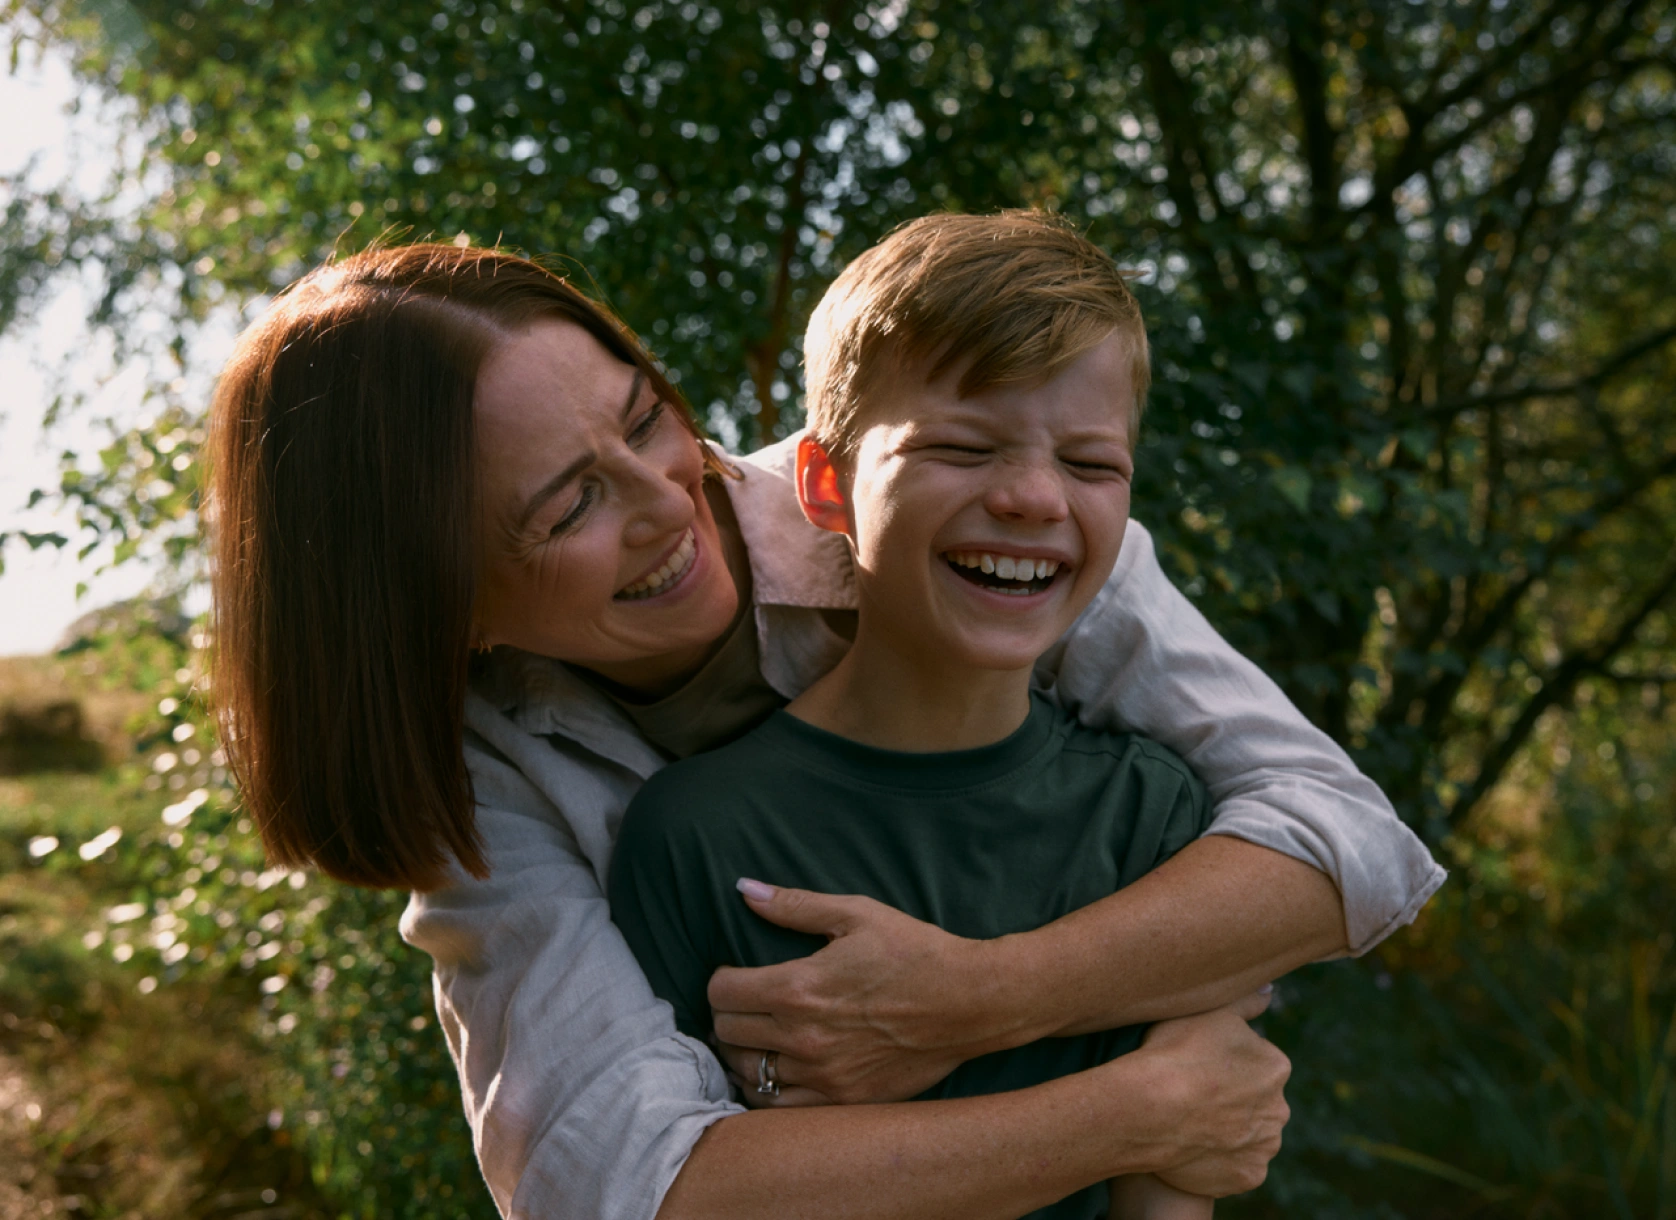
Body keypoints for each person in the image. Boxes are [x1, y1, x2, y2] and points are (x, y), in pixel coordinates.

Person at [207, 235, 1445, 1220]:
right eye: (568, 501)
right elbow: (619, 1189)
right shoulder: (493, 778)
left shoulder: (974, 523)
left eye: (643, 418)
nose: (668, 499)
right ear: (442, 603)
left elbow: (1348, 844)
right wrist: (1135, 1110)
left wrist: (973, 997)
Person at [608, 211, 1232, 1220]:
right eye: (959, 445)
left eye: (1089, 464)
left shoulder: (1152, 816)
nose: (1032, 496)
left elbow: (1169, 1185)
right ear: (824, 483)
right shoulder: (693, 832)